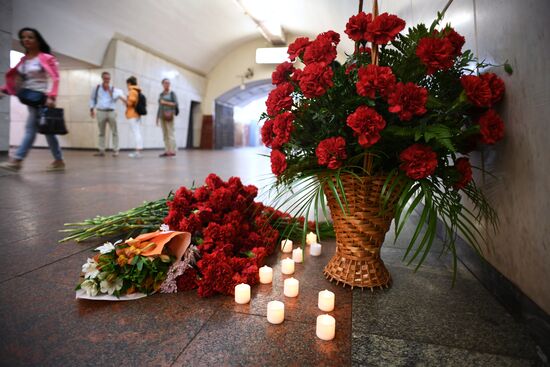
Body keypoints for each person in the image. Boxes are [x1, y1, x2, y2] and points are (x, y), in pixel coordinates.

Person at [0, 27, 64, 172]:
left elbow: (55, 78)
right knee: (48, 131)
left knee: (30, 130)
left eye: (30, 37)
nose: (26, 40)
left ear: (38, 40)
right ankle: (59, 161)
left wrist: (51, 96)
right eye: (23, 37)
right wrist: (4, 89)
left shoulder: (47, 58)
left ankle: (17, 161)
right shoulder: (23, 60)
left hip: (40, 98)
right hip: (29, 98)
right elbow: (19, 80)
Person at [89, 71, 125, 157]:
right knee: (101, 132)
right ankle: (101, 150)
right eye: (105, 78)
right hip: (100, 111)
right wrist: (91, 109)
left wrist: (109, 90)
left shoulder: (113, 89)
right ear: (102, 78)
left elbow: (117, 98)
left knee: (114, 132)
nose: (107, 80)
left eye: (108, 79)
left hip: (111, 112)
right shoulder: (97, 88)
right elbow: (92, 99)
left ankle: (116, 150)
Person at [156, 78, 178, 157]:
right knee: (165, 134)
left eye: (168, 83)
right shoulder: (161, 94)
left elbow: (175, 104)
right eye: (165, 83)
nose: (167, 84)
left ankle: (173, 150)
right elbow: (160, 106)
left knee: (170, 133)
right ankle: (167, 151)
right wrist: (157, 118)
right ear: (162, 84)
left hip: (169, 115)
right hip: (162, 116)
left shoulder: (172, 93)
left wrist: (165, 102)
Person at [125, 76, 143, 158]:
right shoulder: (137, 91)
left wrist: (123, 98)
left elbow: (130, 104)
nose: (127, 86)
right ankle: (138, 151)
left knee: (136, 133)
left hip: (132, 114)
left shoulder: (132, 91)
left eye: (127, 84)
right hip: (137, 114)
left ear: (129, 83)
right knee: (137, 132)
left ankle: (137, 152)